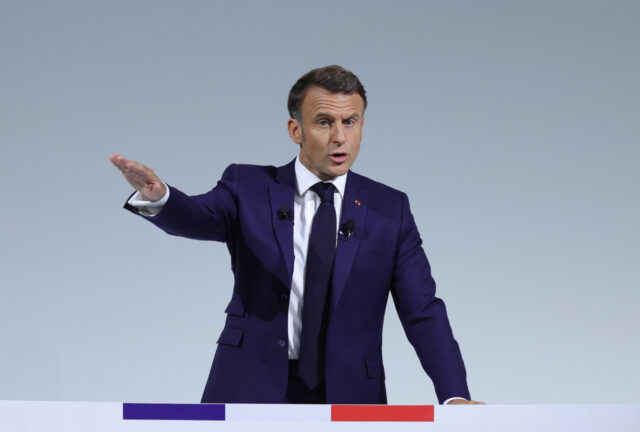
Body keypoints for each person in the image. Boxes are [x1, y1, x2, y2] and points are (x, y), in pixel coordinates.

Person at [111, 65, 483, 405]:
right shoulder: (249, 186)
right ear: (296, 131)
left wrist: (454, 395)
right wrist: (160, 196)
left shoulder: (391, 209)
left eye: (351, 122)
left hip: (351, 393)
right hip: (249, 384)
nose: (340, 137)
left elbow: (423, 311)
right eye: (324, 122)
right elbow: (197, 217)